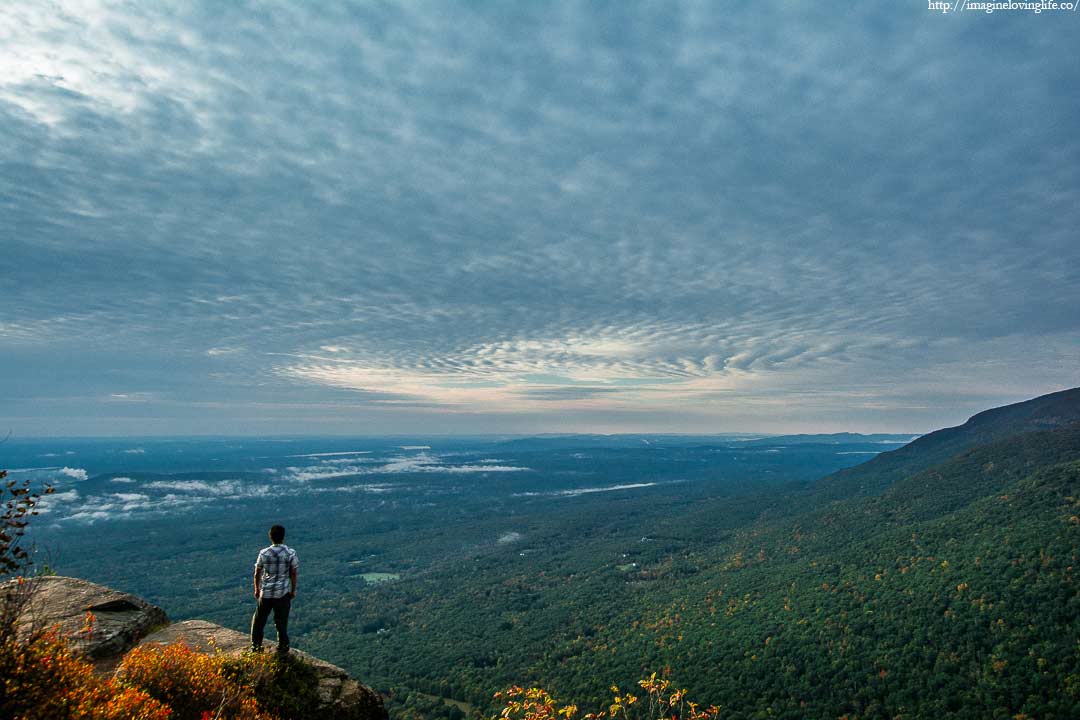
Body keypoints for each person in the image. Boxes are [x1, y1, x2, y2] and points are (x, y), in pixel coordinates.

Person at [250, 524, 299, 655]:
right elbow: (293, 573)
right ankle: (283, 648)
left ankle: (255, 647)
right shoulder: (290, 553)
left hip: (265, 593)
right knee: (281, 622)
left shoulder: (264, 553)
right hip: (282, 593)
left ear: (270, 537)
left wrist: (257, 589)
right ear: (283, 537)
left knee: (259, 621)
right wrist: (293, 590)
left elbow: (257, 572)